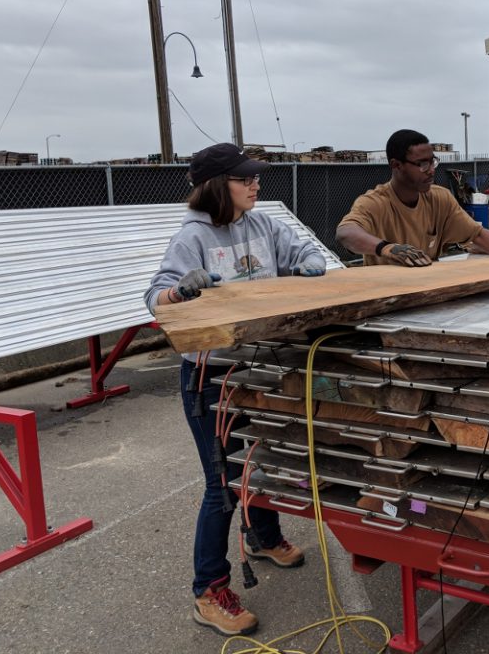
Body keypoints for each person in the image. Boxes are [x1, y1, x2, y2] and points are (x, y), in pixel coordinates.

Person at [144, 143, 327, 636]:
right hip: (211, 376)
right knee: (220, 484)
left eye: (255, 177)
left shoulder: (263, 225)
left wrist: (309, 262)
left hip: (259, 367)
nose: (255, 184)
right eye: (244, 178)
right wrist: (180, 291)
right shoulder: (192, 238)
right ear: (214, 185)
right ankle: (208, 590)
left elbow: (306, 249)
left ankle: (263, 538)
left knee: (263, 459)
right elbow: (153, 297)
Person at [336, 129, 489, 266]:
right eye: (422, 164)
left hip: (429, 293)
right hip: (387, 298)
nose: (431, 170)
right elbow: (346, 233)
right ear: (396, 165)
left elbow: (477, 236)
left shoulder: (439, 199)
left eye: (432, 161)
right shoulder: (375, 203)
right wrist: (388, 248)